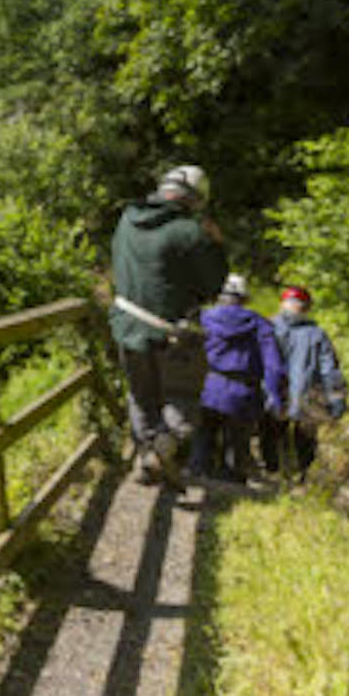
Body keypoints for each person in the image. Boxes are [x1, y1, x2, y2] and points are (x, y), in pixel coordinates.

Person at [109, 164, 228, 487]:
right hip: (172, 332)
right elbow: (213, 286)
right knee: (183, 398)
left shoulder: (126, 219)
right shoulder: (189, 231)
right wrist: (216, 245)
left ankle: (147, 458)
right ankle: (163, 447)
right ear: (195, 198)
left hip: (127, 326)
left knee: (140, 396)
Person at [193, 274, 284, 483]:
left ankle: (198, 475)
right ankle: (231, 483)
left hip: (209, 387)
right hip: (244, 392)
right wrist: (274, 395)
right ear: (243, 298)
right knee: (237, 445)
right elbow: (273, 364)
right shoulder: (259, 323)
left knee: (204, 436)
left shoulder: (204, 318)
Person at [262, 286, 348, 479]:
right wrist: (337, 399)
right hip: (306, 395)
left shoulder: (266, 327)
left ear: (281, 304)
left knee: (271, 434)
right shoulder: (317, 334)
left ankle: (274, 473)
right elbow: (329, 370)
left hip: (272, 392)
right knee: (304, 440)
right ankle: (302, 476)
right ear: (307, 308)